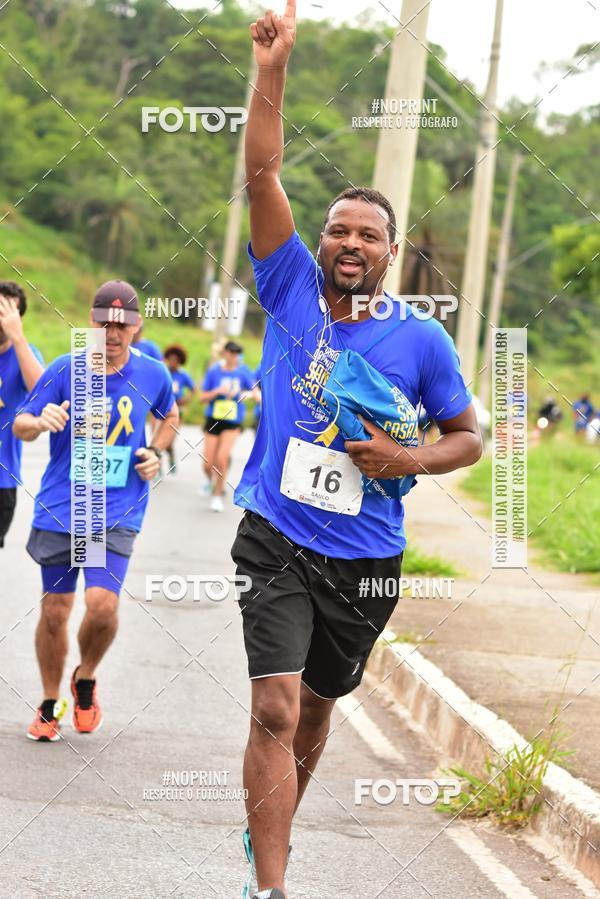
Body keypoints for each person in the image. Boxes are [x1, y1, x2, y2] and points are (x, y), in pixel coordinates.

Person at [230, 5, 482, 898]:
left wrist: (408, 462)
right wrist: (273, 68)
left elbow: (469, 436)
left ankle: (272, 825)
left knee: (314, 713)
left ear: (391, 252)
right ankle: (271, 885)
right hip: (275, 532)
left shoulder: (422, 341)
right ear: (322, 240)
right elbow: (261, 172)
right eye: (339, 228)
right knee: (273, 703)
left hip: (366, 556)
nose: (349, 243)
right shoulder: (288, 283)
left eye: (368, 235)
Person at [13, 280, 178, 742]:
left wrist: (156, 451)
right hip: (63, 506)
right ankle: (50, 702)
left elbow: (169, 416)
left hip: (116, 509)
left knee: (102, 607)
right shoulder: (66, 368)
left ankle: (85, 677)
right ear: (91, 322)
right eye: (104, 324)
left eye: (122, 325)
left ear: (136, 326)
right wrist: (39, 421)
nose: (113, 333)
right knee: (55, 611)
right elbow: (21, 422)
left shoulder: (153, 374)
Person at [0, 282, 44, 547]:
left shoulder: (26, 354)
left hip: (2, 479)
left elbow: (43, 393)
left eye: (8, 312)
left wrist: (17, 338)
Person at [199, 340, 254, 513]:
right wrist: (217, 392)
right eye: (230, 353)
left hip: (232, 421)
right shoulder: (214, 371)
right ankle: (210, 480)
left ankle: (217, 495)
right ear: (225, 353)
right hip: (214, 419)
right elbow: (202, 397)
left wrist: (244, 394)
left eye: (236, 354)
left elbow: (255, 392)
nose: (233, 357)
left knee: (222, 458)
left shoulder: (243, 372)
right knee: (208, 463)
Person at [163, 344, 196, 473]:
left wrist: (186, 400)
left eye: (176, 360)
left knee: (169, 440)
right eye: (171, 359)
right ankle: (157, 468)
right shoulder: (163, 371)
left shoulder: (183, 375)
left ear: (180, 361)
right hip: (161, 408)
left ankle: (171, 456)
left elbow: (193, 389)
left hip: (176, 410)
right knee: (157, 437)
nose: (173, 363)